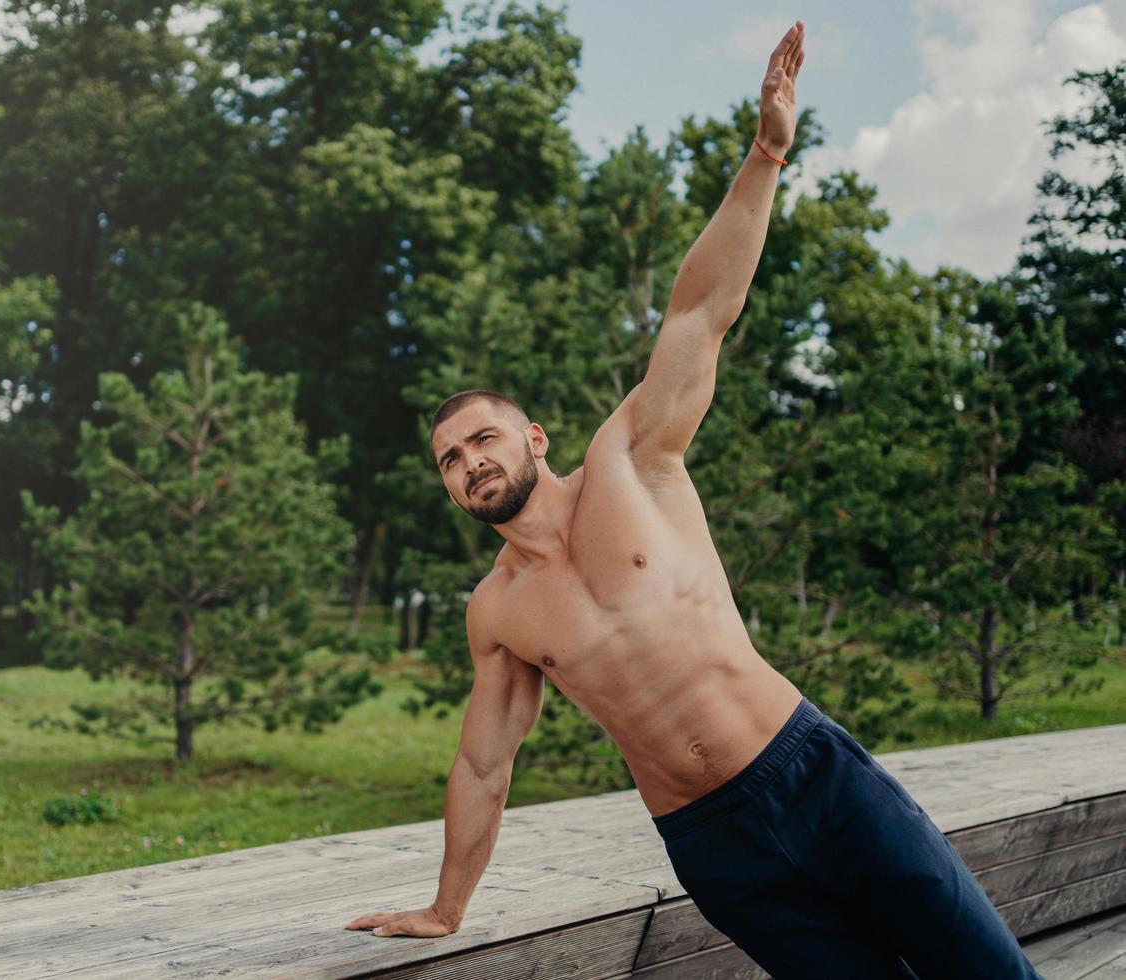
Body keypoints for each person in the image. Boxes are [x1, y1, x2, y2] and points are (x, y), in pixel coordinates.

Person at [344, 21, 1042, 979]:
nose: (469, 464)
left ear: (532, 439)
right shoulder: (498, 612)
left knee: (989, 973)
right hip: (712, 845)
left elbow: (698, 313)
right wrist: (445, 907)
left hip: (815, 779)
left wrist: (765, 155)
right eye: (449, 460)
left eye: (482, 439)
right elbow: (481, 767)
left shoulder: (631, 462)